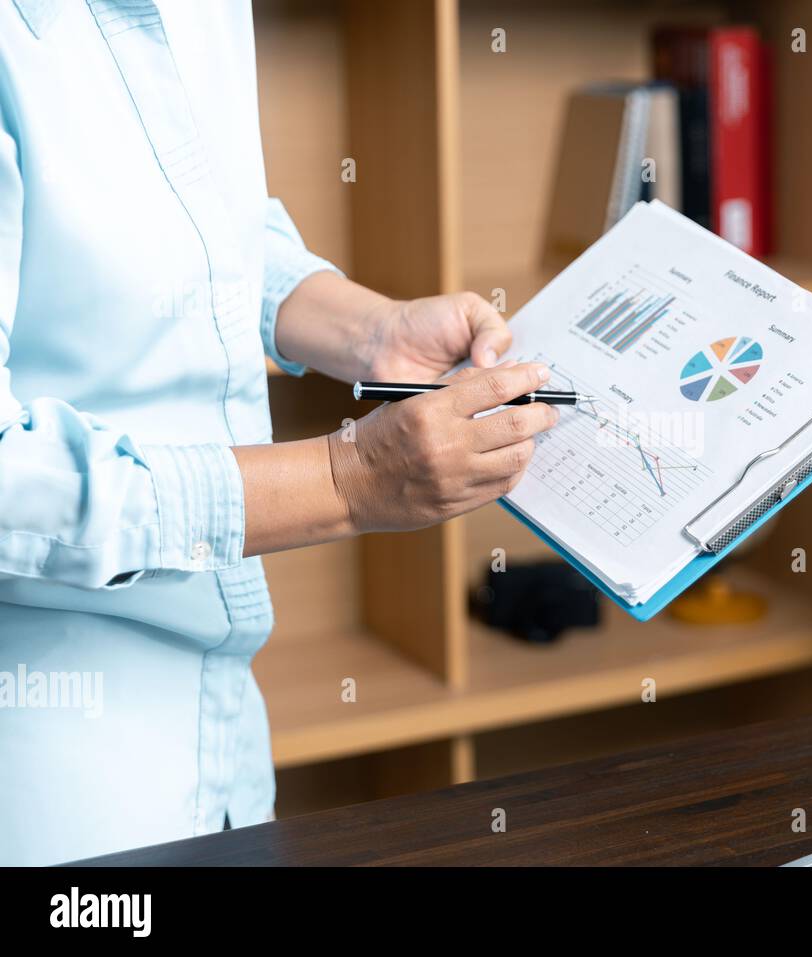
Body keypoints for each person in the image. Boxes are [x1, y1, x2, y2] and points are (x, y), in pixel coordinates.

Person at [0, 1, 556, 865]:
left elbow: (214, 231)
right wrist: (349, 479)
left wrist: (376, 332)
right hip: (57, 766)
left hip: (228, 721)